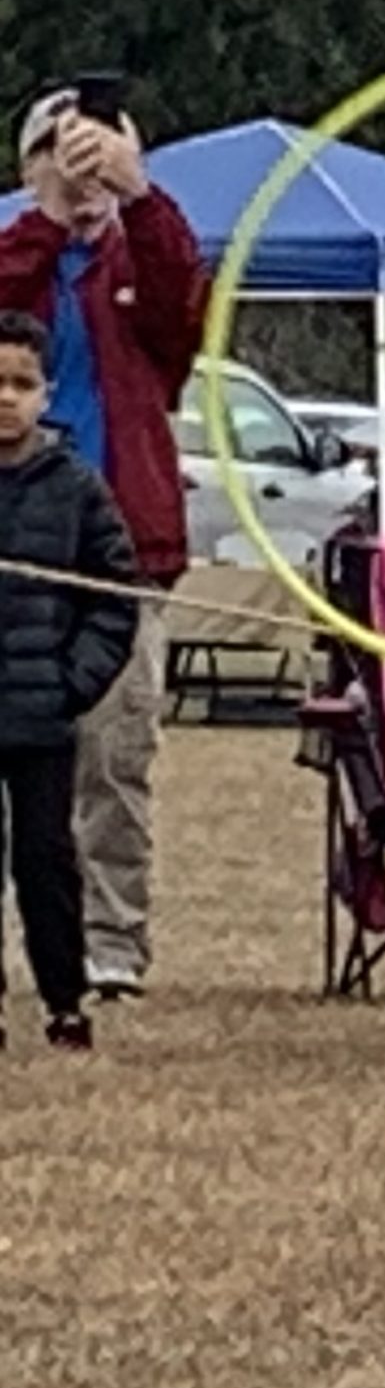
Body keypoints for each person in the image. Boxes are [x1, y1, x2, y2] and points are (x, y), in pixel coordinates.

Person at [0, 85, 206, 1001]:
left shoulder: (143, 263)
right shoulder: (19, 260)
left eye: (97, 149)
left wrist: (141, 194)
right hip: (14, 540)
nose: (81, 167)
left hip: (120, 549)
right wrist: (48, 217)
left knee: (114, 755)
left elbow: (183, 309)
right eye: (61, 149)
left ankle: (111, 945)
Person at [0, 312, 141, 1051]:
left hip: (41, 716)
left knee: (45, 862)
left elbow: (116, 596)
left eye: (21, 384)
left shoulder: (76, 488)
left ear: (46, 393)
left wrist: (71, 680)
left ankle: (64, 1001)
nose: (6, 398)